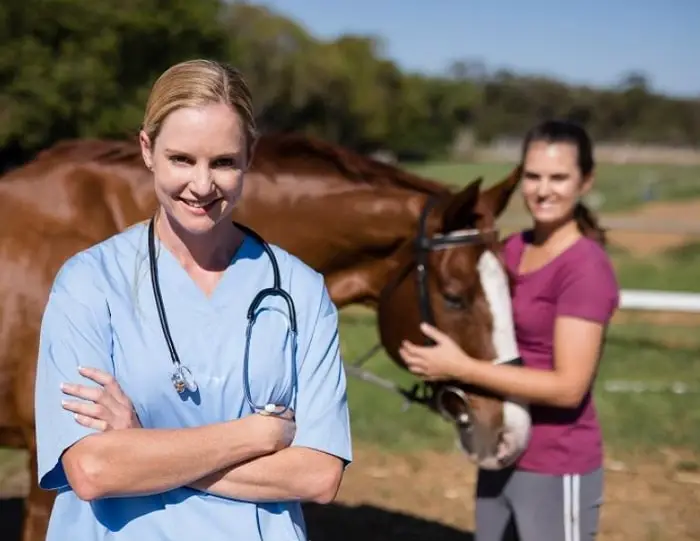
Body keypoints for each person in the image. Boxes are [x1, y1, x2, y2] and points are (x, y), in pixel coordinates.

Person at [34, 59, 352, 541]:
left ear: (249, 156)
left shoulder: (300, 290)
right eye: (181, 159)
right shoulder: (88, 284)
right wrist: (256, 436)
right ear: (147, 149)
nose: (202, 186)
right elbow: (93, 471)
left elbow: (317, 476)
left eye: (223, 162)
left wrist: (140, 448)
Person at [399, 119, 620, 541]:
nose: (542, 189)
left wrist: (461, 367)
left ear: (585, 182)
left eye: (559, 178)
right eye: (533, 176)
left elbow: (569, 387)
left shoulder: (585, 268)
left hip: (557, 461)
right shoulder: (511, 249)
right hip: (501, 446)